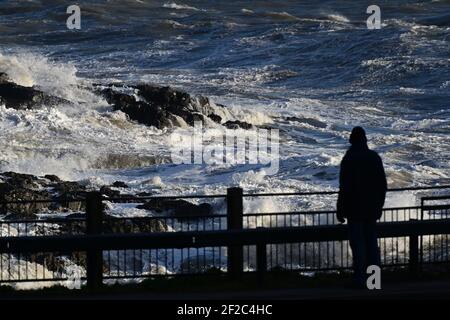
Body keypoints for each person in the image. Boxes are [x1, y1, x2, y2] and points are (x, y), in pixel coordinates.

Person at [336, 126, 387, 287]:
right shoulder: (374, 157)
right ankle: (374, 281)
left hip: (354, 210)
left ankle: (359, 280)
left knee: (358, 246)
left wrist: (340, 209)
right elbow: (382, 186)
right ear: (365, 140)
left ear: (352, 140)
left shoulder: (349, 158)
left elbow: (344, 187)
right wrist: (379, 207)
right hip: (371, 210)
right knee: (372, 246)